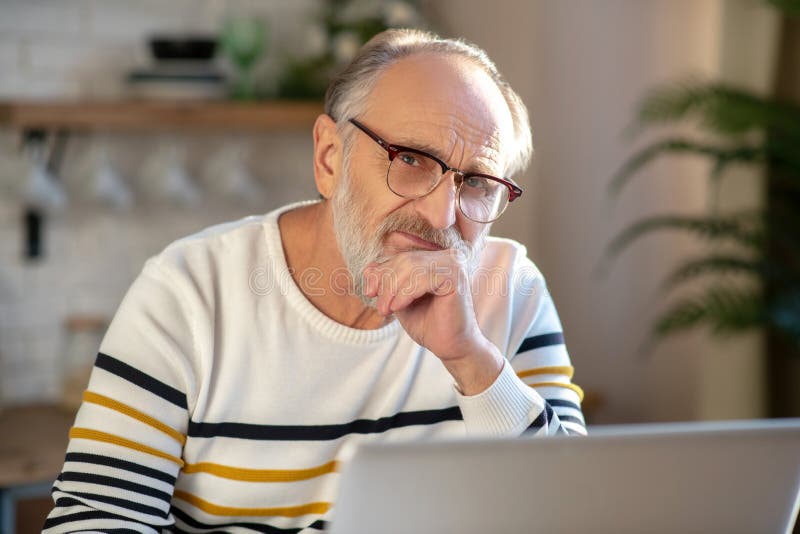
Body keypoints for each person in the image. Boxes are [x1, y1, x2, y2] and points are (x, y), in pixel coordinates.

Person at [43, 29, 586, 533]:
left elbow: (580, 514)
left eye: (477, 183)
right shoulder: (187, 292)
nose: (444, 216)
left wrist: (472, 359)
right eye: (413, 160)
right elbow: (94, 520)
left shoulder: (511, 288)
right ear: (330, 158)